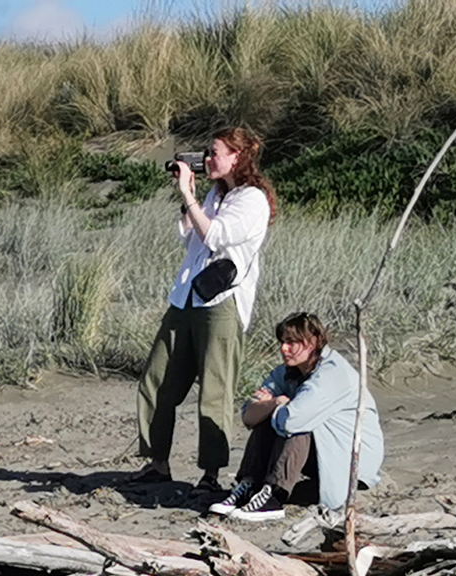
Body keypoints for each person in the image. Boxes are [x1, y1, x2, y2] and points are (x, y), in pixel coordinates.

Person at [133, 126, 275, 497]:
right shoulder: (214, 194)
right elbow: (188, 236)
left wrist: (189, 197)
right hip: (186, 297)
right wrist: (190, 198)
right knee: (157, 379)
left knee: (215, 389)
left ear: (237, 158)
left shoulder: (252, 200)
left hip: (221, 303)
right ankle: (157, 462)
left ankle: (211, 474)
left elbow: (216, 236)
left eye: (215, 153)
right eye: (207, 153)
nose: (208, 159)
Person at [211, 311, 383, 522]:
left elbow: (293, 421)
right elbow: (248, 416)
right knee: (272, 417)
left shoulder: (332, 373)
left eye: (292, 342)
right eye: (283, 342)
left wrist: (280, 406)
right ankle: (250, 486)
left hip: (351, 461)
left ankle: (275, 495)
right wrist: (276, 402)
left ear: (313, 342)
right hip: (322, 453)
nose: (284, 348)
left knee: (297, 426)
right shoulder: (287, 372)